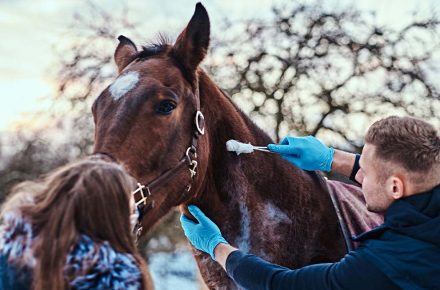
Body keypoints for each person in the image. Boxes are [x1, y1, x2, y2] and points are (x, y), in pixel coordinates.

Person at [180, 116, 440, 290]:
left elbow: (282, 284)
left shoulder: (390, 263)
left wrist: (217, 247)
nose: (358, 175)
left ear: (396, 187)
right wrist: (330, 158)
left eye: (366, 172)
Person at [0, 157, 152, 290]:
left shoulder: (10, 259)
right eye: (131, 210)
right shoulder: (117, 278)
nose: (135, 216)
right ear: (107, 219)